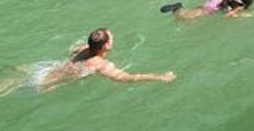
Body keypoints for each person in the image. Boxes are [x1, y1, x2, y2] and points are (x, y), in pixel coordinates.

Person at [34, 28, 175, 90]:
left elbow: (72, 50)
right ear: (106, 46)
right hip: (46, 84)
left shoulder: (82, 47)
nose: (113, 38)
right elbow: (126, 78)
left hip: (46, 71)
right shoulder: (102, 64)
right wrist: (159, 77)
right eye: (111, 38)